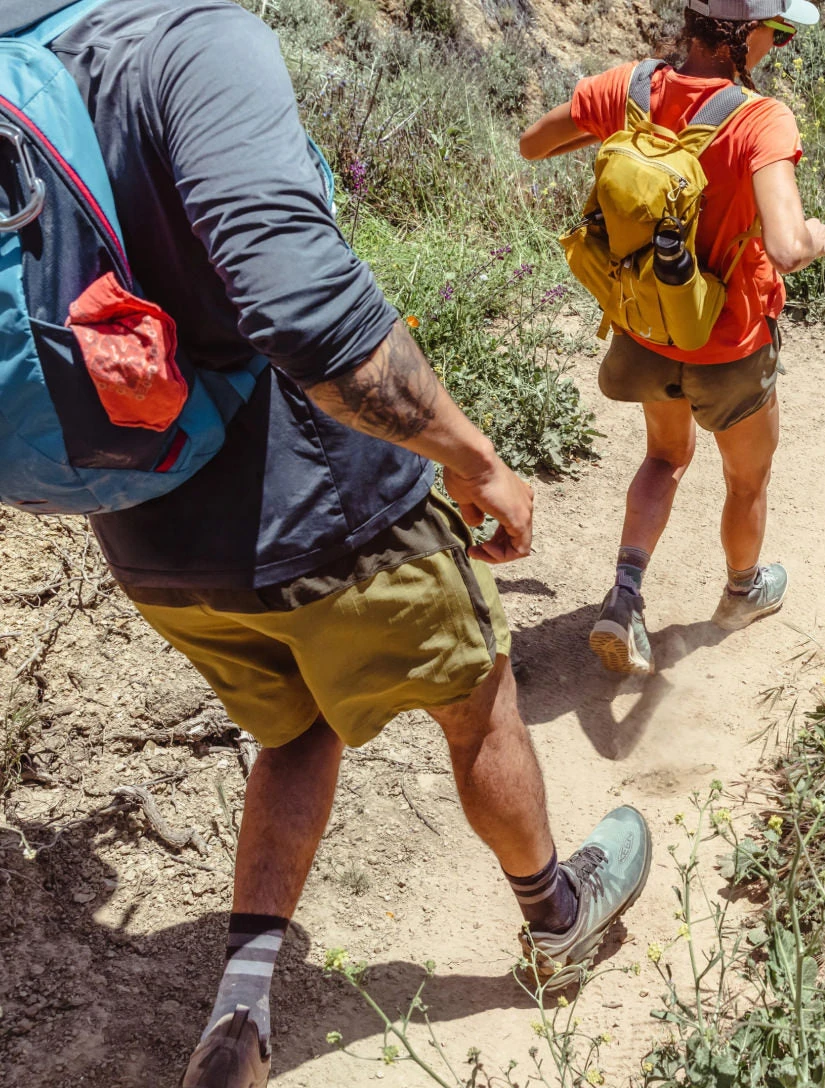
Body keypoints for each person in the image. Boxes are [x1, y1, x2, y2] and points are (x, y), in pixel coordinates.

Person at [2, 1, 653, 1085]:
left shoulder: (27, 50)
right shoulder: (190, 38)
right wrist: (474, 458)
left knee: (296, 725)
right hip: (327, 512)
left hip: (145, 530)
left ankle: (239, 1015)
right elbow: (309, 312)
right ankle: (557, 917)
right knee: (477, 699)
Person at [519, 0, 825, 675]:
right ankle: (743, 592)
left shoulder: (630, 87)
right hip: (727, 343)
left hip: (645, 327)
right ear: (744, 36)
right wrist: (819, 236)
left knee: (664, 457)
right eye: (777, 32)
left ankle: (625, 596)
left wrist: (620, 138)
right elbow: (786, 246)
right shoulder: (761, 119)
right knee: (746, 478)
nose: (778, 45)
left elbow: (532, 144)